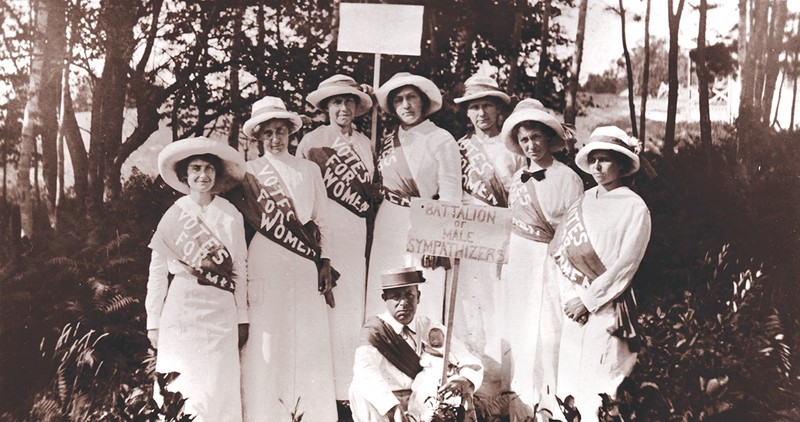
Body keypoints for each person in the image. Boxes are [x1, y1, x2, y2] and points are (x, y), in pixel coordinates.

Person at [235, 96, 337, 421]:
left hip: (305, 262)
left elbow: (323, 221)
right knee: (268, 341)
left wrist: (325, 261)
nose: (276, 139)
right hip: (264, 258)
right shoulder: (247, 174)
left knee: (306, 339)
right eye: (269, 133)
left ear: (290, 133)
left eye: (281, 131)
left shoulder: (308, 170)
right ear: (259, 137)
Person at [550, 126, 651, 422]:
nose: (598, 166)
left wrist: (587, 299)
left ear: (621, 164)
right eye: (594, 159)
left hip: (607, 307)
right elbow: (562, 252)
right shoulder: (582, 200)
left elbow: (625, 266)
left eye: (606, 159)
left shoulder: (634, 207)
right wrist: (572, 298)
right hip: (574, 310)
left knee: (602, 385)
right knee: (569, 381)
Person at [146, 136, 248, 421]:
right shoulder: (173, 215)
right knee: (182, 382)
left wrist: (242, 316)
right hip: (183, 309)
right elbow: (157, 272)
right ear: (185, 175)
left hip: (221, 308)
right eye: (195, 169)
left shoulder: (230, 214)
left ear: (217, 174)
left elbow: (240, 267)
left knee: (218, 384)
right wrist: (153, 321)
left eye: (208, 169)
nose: (202, 175)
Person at [498, 99, 584, 420]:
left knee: (549, 330)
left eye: (536, 137)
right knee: (521, 327)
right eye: (524, 140)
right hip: (520, 259)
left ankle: (552, 404)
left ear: (549, 138)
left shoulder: (567, 177)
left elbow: (574, 229)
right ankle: (521, 403)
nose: (531, 145)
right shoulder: (517, 177)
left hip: (552, 260)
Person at [297, 74, 376, 401]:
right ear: (326, 106)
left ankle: (348, 390)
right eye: (336, 102)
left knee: (351, 306)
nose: (343, 108)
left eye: (349, 101)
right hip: (326, 232)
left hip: (356, 231)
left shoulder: (365, 143)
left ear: (357, 107)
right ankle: (320, 390)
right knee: (325, 306)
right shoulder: (312, 142)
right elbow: (301, 195)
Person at [366, 72, 462, 324]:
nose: (406, 105)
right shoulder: (388, 141)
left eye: (411, 97)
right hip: (388, 220)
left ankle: (426, 354)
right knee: (386, 287)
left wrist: (435, 240)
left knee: (424, 290)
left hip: (425, 220)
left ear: (423, 101)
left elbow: (451, 194)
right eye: (398, 100)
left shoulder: (441, 138)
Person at [451, 74, 524, 396]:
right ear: (467, 113)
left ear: (499, 111)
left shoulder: (514, 149)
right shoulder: (459, 148)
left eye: (487, 106)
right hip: (468, 234)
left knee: (498, 304)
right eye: (475, 107)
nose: (481, 114)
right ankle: (470, 379)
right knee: (470, 304)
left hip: (502, 233)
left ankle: (498, 385)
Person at [349, 267, 484, 422]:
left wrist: (463, 381)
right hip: (386, 404)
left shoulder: (429, 327)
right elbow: (364, 372)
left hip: (425, 401)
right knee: (358, 389)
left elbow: (469, 361)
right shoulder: (375, 331)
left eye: (409, 295)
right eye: (396, 296)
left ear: (418, 297)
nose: (404, 303)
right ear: (384, 298)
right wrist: (391, 407)